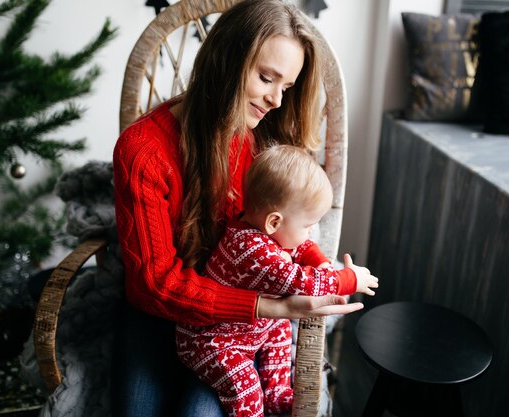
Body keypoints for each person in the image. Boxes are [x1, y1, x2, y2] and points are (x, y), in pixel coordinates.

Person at [112, 1, 372, 416]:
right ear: (225, 61)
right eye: (266, 78)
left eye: (285, 87)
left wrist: (319, 267)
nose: (274, 99)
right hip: (161, 314)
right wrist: (273, 307)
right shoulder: (143, 150)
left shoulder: (263, 141)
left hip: (231, 328)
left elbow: (286, 229)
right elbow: (154, 284)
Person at [176, 145, 378, 417]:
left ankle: (277, 392)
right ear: (274, 221)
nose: (309, 233)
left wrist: (321, 261)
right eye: (307, 225)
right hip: (213, 342)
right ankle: (256, 409)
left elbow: (303, 246)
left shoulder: (262, 230)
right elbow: (304, 283)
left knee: (281, 327)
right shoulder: (253, 251)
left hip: (249, 326)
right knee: (245, 386)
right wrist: (349, 279)